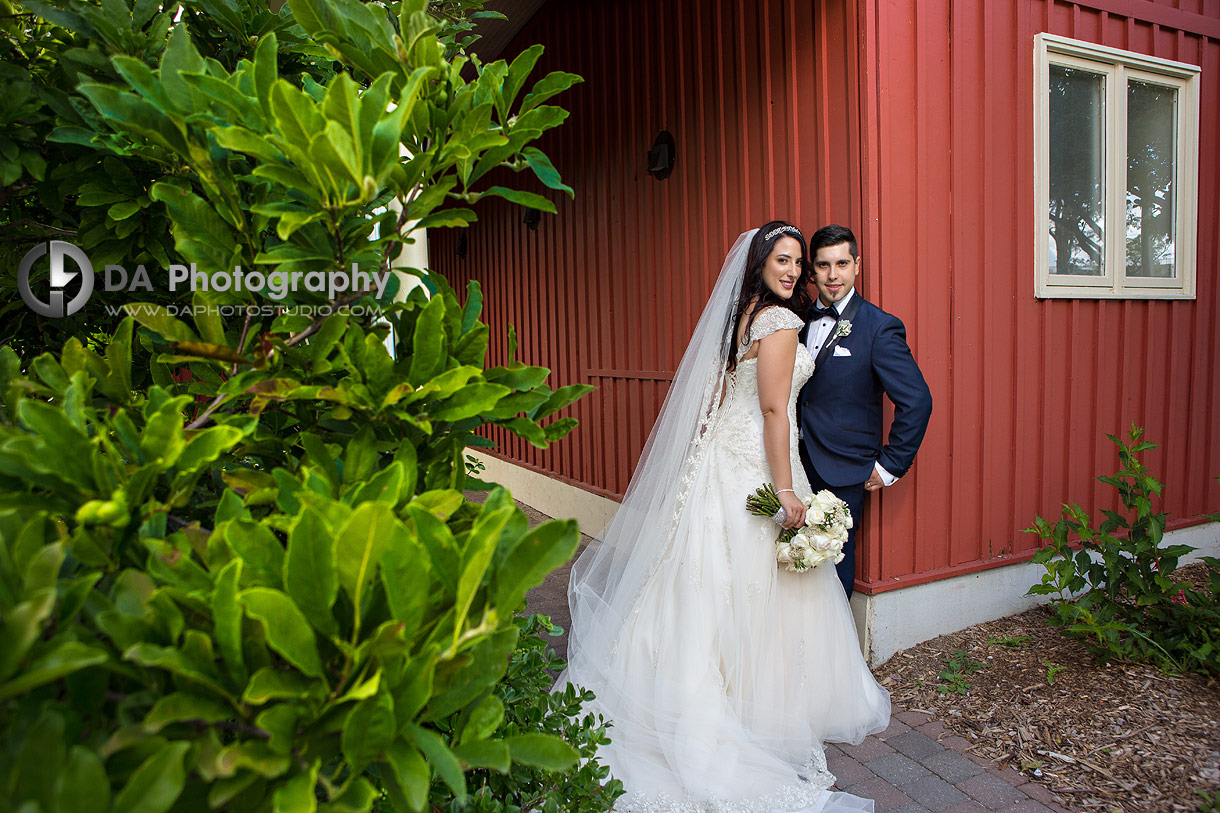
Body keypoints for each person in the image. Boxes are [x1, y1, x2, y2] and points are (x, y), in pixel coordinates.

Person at [557, 222, 890, 813]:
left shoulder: (746, 317)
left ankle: (686, 686)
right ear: (761, 263)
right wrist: (787, 491)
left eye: (798, 264)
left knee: (701, 578)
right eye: (782, 261)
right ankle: (750, 704)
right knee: (752, 583)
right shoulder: (781, 321)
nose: (792, 271)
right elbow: (770, 408)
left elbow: (728, 395)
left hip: (719, 463)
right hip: (756, 469)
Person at [797, 224, 933, 598]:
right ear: (813, 270)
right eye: (823, 265)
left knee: (833, 564)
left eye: (841, 263)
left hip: (843, 468)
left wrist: (890, 465)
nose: (833, 275)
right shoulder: (798, 321)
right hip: (792, 462)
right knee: (791, 559)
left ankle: (835, 652)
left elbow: (917, 400)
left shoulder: (879, 327)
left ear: (857, 265)